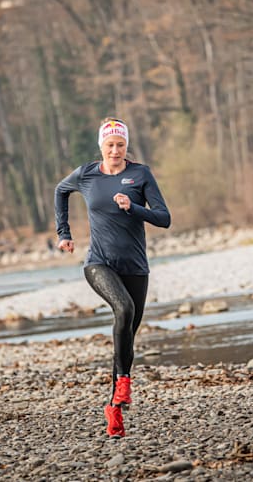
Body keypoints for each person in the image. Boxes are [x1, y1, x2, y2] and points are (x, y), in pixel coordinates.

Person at [54, 118, 171, 438]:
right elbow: (60, 191)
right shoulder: (87, 174)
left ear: (126, 146)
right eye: (110, 145)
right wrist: (64, 232)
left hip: (135, 267)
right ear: (101, 147)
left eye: (120, 144)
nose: (115, 150)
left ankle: (114, 413)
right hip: (98, 264)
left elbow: (164, 219)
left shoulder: (140, 175)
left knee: (126, 338)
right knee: (124, 309)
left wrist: (133, 207)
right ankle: (124, 384)